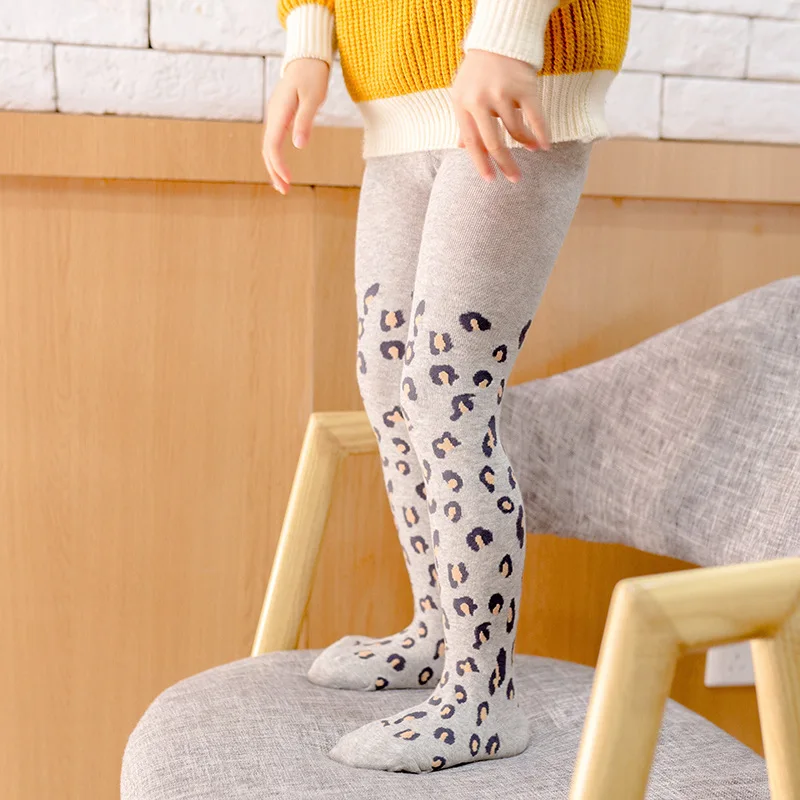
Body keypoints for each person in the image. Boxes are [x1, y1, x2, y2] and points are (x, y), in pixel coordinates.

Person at [264, 0, 630, 774]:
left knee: (446, 391)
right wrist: (308, 38)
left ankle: (482, 697)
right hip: (395, 91)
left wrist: (509, 32)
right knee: (388, 383)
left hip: (512, 76)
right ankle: (438, 632)